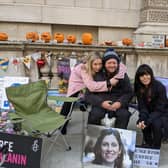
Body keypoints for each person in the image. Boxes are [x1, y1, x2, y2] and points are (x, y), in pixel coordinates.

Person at [60, 51, 127, 134]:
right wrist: (109, 83)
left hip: (89, 82)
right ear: (90, 63)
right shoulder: (83, 69)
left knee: (88, 95)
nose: (98, 67)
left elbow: (122, 66)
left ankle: (84, 103)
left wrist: (117, 77)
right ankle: (62, 124)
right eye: (95, 64)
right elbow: (92, 87)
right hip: (77, 83)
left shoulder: (101, 66)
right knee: (69, 103)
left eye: (100, 64)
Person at [85, 49, 133, 129]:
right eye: (109, 63)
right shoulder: (97, 75)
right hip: (100, 104)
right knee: (95, 115)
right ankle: (93, 138)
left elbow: (129, 93)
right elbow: (88, 95)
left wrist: (120, 103)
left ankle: (119, 139)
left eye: (114, 63)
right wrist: (101, 103)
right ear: (104, 64)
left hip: (118, 104)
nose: (112, 65)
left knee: (124, 115)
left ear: (117, 64)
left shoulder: (123, 75)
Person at [134, 64, 168, 149]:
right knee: (142, 122)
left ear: (151, 75)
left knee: (156, 123)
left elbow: (160, 108)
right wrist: (142, 119)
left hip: (163, 112)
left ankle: (156, 147)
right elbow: (142, 107)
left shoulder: (159, 87)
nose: (145, 77)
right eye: (142, 75)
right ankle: (148, 143)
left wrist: (148, 120)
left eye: (147, 74)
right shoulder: (139, 88)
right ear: (138, 78)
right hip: (149, 111)